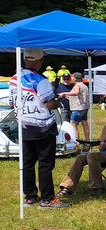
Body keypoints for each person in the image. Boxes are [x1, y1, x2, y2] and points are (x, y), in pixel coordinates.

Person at [10, 49, 70, 208]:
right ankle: (47, 199)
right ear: (39, 61)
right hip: (42, 126)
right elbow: (50, 103)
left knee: (27, 163)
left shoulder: (14, 79)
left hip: (24, 126)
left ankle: (30, 197)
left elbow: (12, 103)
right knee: (45, 164)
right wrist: (57, 101)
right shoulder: (40, 79)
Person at [57, 105, 106, 197]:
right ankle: (67, 187)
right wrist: (103, 145)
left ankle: (96, 187)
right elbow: (101, 148)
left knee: (92, 156)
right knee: (80, 158)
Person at [65, 72, 90, 140]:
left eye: (72, 77)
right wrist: (69, 96)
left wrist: (64, 93)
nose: (71, 78)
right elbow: (80, 95)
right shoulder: (84, 85)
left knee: (73, 124)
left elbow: (76, 93)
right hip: (85, 107)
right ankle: (87, 140)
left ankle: (76, 141)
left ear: (75, 78)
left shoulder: (77, 85)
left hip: (78, 108)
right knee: (84, 124)